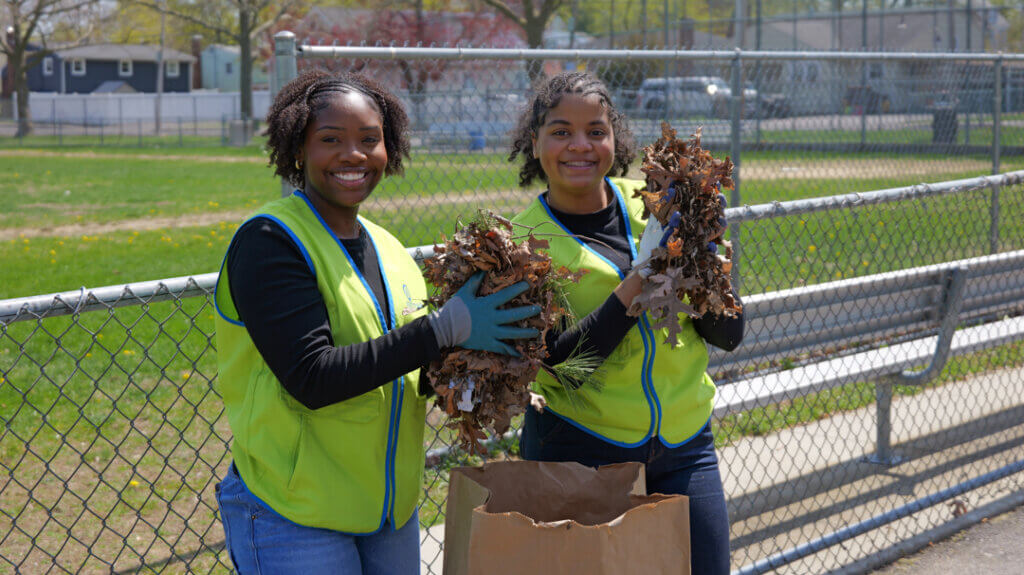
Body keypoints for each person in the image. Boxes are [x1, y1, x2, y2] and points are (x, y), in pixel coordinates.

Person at [212, 69, 540, 575]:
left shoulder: (390, 250)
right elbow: (312, 378)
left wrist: (479, 367)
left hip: (389, 511)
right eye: (331, 140)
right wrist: (442, 331)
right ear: (298, 149)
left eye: (370, 140)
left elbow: (404, 369)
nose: (354, 155)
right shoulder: (270, 241)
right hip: (294, 512)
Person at [509, 71, 744, 575]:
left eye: (596, 130)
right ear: (534, 143)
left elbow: (730, 337)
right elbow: (562, 364)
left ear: (616, 138)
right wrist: (643, 276)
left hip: (685, 446)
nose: (580, 145)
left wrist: (707, 265)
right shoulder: (523, 243)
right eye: (560, 131)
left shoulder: (657, 207)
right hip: (582, 452)